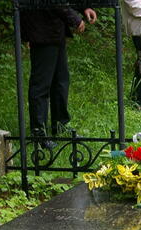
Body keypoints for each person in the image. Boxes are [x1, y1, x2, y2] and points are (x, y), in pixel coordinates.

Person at [21, 7, 97, 149]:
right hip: (41, 29)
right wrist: (74, 18)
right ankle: (39, 134)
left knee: (60, 81)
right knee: (41, 85)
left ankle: (60, 125)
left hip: (54, 30)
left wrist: (83, 7)